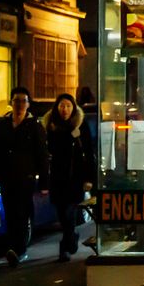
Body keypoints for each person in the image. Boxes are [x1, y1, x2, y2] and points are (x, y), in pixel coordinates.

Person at [0, 87, 49, 267]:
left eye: (23, 101)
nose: (20, 104)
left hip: (26, 177)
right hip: (6, 177)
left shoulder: (35, 126)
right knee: (11, 212)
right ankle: (13, 247)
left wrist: (44, 182)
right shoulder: (3, 125)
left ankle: (19, 249)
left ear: (28, 104)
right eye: (16, 100)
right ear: (11, 102)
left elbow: (42, 155)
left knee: (22, 212)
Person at [44, 93, 95, 262]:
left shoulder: (80, 126)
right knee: (61, 213)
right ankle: (71, 237)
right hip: (57, 178)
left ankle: (64, 247)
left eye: (67, 106)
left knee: (69, 213)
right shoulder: (50, 127)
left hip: (75, 178)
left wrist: (89, 178)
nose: (64, 109)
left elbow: (89, 153)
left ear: (73, 108)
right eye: (61, 106)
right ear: (56, 108)